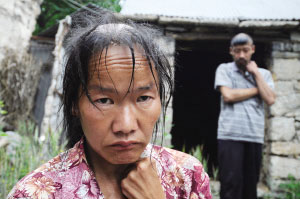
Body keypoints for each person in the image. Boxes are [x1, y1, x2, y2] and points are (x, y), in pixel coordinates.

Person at [8, 10, 211, 199]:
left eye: (143, 98)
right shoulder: (36, 193)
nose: (126, 126)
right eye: (104, 100)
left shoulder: (186, 175)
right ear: (74, 105)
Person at [214, 33, 276, 199]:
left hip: (254, 136)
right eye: (237, 51)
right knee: (230, 185)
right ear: (231, 51)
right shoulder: (224, 69)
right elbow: (228, 95)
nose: (241, 55)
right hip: (229, 135)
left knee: (250, 187)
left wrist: (256, 73)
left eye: (245, 50)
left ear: (252, 50)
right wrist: (258, 91)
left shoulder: (264, 74)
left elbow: (270, 98)